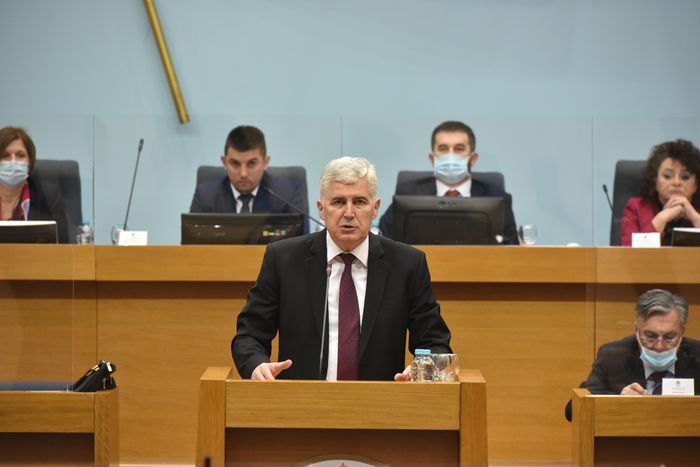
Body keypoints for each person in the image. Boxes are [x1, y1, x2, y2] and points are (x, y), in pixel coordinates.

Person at [232, 156, 452, 381]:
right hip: (302, 399)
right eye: (338, 202)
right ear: (321, 208)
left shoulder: (407, 264)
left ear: (375, 208)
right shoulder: (283, 260)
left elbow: (435, 343)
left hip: (380, 399)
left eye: (359, 202)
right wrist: (257, 365)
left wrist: (422, 370)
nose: (348, 213)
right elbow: (249, 336)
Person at [566, 289, 700, 421]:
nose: (659, 346)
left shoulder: (697, 355)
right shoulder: (613, 356)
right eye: (650, 336)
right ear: (637, 330)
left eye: (669, 337)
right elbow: (573, 410)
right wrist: (618, 402)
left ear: (682, 332)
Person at [378, 120, 518, 244]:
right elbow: (382, 238)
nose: (451, 155)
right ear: (432, 159)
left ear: (473, 158)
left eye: (459, 149)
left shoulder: (496, 196)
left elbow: (512, 248)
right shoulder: (408, 193)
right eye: (443, 149)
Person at [189, 125, 309, 232]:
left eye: (251, 163)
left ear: (265, 162)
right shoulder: (205, 196)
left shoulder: (287, 195)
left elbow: (302, 243)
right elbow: (190, 245)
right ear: (224, 162)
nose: (243, 174)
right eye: (235, 163)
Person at [620, 139, 700, 246]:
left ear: (696, 185)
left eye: (685, 177)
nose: (676, 182)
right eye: (667, 176)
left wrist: (695, 218)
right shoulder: (636, 208)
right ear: (655, 181)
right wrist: (662, 218)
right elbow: (629, 252)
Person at [0, 126, 69, 243]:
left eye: (20, 155)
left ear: (30, 163)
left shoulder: (49, 197)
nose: (13, 162)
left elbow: (62, 245)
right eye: (5, 155)